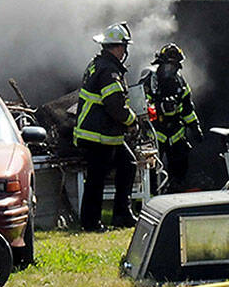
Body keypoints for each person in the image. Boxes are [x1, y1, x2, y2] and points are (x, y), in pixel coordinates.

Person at [73, 22, 139, 230]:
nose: (125, 52)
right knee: (96, 179)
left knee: (128, 164)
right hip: (97, 135)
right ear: (118, 47)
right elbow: (115, 106)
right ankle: (91, 223)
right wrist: (132, 120)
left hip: (104, 134)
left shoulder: (99, 64)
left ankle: (122, 215)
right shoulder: (109, 70)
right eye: (124, 47)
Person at [143, 43, 202, 192]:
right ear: (161, 63)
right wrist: (159, 107)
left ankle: (176, 193)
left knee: (180, 169)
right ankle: (151, 197)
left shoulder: (180, 83)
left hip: (176, 133)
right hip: (155, 134)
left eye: (175, 66)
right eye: (169, 65)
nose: (172, 69)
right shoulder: (151, 80)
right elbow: (141, 106)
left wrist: (195, 127)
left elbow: (187, 109)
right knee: (151, 172)